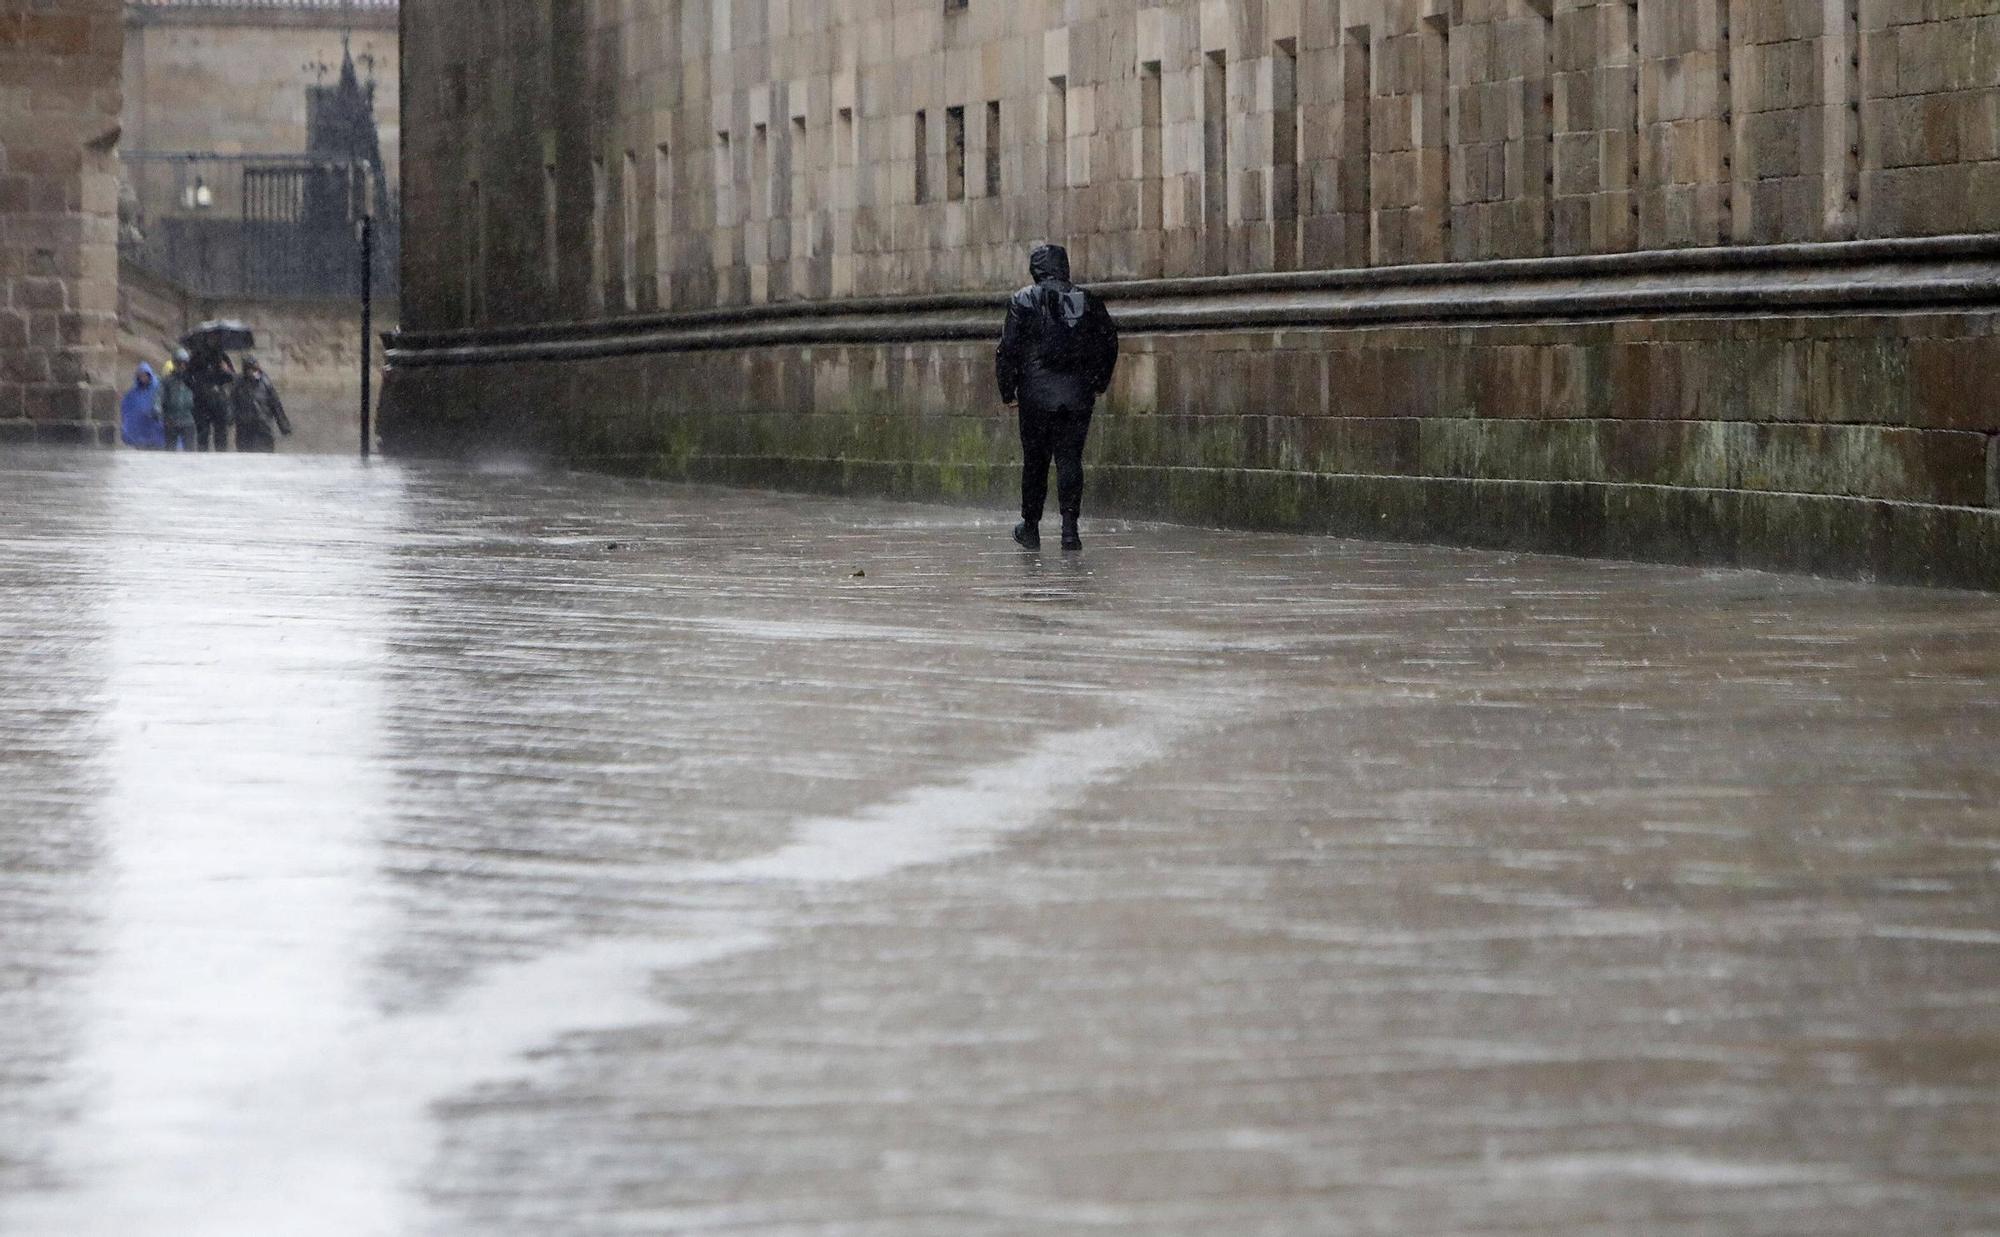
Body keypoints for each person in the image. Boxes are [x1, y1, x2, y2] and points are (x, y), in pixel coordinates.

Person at [994, 242, 1119, 551]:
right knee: (1070, 459)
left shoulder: (1023, 300)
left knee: (1035, 461)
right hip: (1077, 396)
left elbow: (1007, 350)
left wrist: (1008, 391)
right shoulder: (1088, 300)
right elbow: (1109, 341)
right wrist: (1098, 381)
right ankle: (1069, 529)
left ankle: (1031, 527)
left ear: (1036, 269)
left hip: (1035, 395)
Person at [229, 355, 292, 453]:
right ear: (246, 370)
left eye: (256, 369)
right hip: (244, 430)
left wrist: (284, 426)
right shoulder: (238, 384)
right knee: (245, 458)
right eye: (251, 369)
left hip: (263, 428)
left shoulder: (265, 383)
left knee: (265, 457)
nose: (254, 373)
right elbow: (232, 403)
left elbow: (276, 405)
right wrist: (229, 418)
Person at [187, 346, 235, 451]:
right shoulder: (196, 356)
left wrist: (226, 370)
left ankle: (221, 458)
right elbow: (187, 376)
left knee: (221, 434)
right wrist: (197, 387)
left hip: (219, 400)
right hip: (201, 401)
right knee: (202, 434)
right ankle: (202, 459)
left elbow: (232, 377)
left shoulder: (222, 356)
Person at [119, 363, 166, 450]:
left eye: (145, 376)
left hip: (155, 427)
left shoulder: (158, 388)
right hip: (141, 429)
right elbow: (126, 407)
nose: (143, 378)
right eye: (141, 376)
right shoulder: (133, 392)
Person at [159, 348, 198, 452]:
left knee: (189, 451)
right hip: (171, 419)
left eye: (184, 363)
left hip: (188, 419)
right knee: (170, 451)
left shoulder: (192, 379)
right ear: (174, 364)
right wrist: (157, 408)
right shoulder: (167, 380)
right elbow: (160, 396)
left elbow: (199, 397)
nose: (182, 366)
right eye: (179, 363)